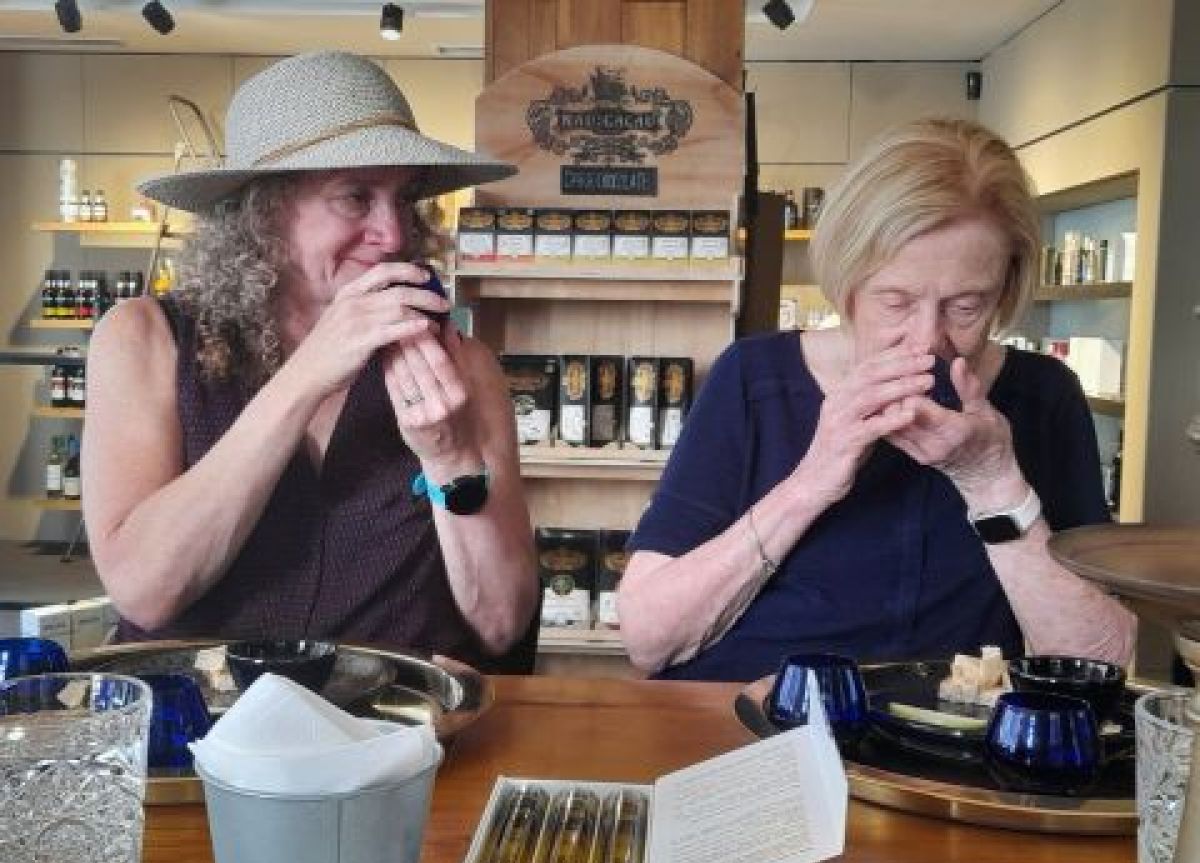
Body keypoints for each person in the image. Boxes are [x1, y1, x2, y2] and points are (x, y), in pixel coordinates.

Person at [617, 117, 1136, 681]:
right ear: (847, 285)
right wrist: (813, 480)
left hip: (950, 746)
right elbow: (648, 640)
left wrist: (994, 484)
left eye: (965, 307)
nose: (926, 340)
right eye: (895, 301)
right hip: (749, 728)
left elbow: (1100, 663)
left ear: (1005, 292)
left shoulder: (1042, 395)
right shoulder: (753, 379)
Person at [82, 51, 538, 669]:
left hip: (395, 732)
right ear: (263, 214)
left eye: (402, 201)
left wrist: (451, 456)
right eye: (354, 197)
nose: (395, 234)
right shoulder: (144, 340)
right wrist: (303, 380)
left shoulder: (463, 366)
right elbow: (145, 592)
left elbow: (503, 623)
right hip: (200, 736)